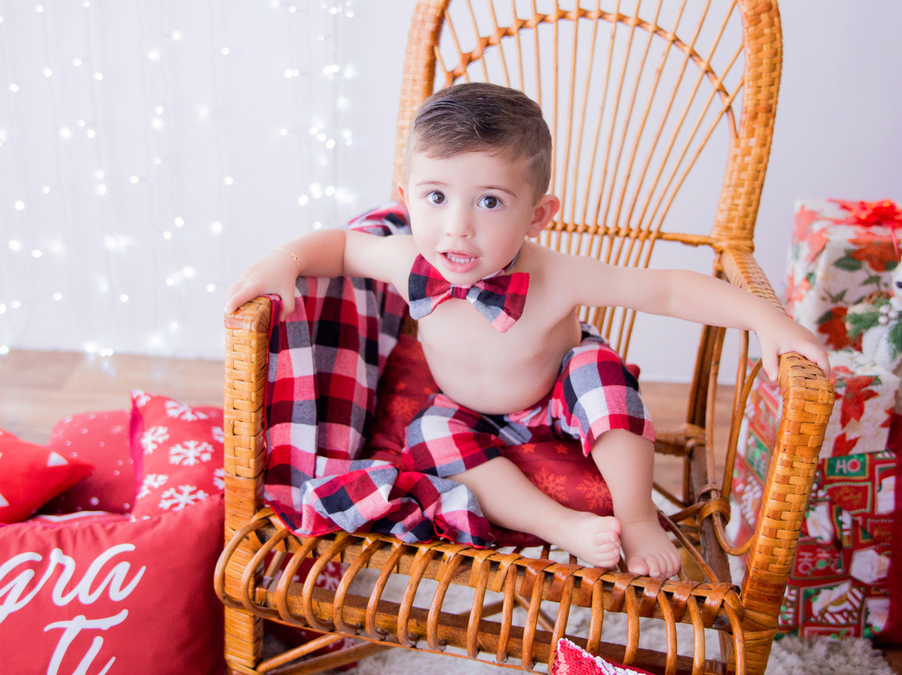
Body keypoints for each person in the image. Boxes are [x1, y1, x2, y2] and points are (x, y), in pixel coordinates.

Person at [225, 82, 828, 579]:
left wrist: (764, 317)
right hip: (465, 410)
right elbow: (339, 246)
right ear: (407, 199)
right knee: (429, 435)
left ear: (538, 214)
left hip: (554, 394)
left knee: (601, 375)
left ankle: (638, 515)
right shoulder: (408, 259)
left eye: (489, 202)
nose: (456, 228)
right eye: (436, 197)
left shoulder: (555, 274)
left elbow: (665, 289)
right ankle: (559, 525)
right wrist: (286, 259)